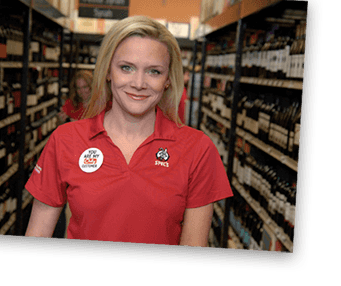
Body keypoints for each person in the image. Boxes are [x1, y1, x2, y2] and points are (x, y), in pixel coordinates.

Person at [25, 15, 232, 246]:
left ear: (167, 79)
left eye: (154, 71)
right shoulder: (66, 139)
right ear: (107, 71)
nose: (138, 83)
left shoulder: (198, 149)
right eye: (126, 68)